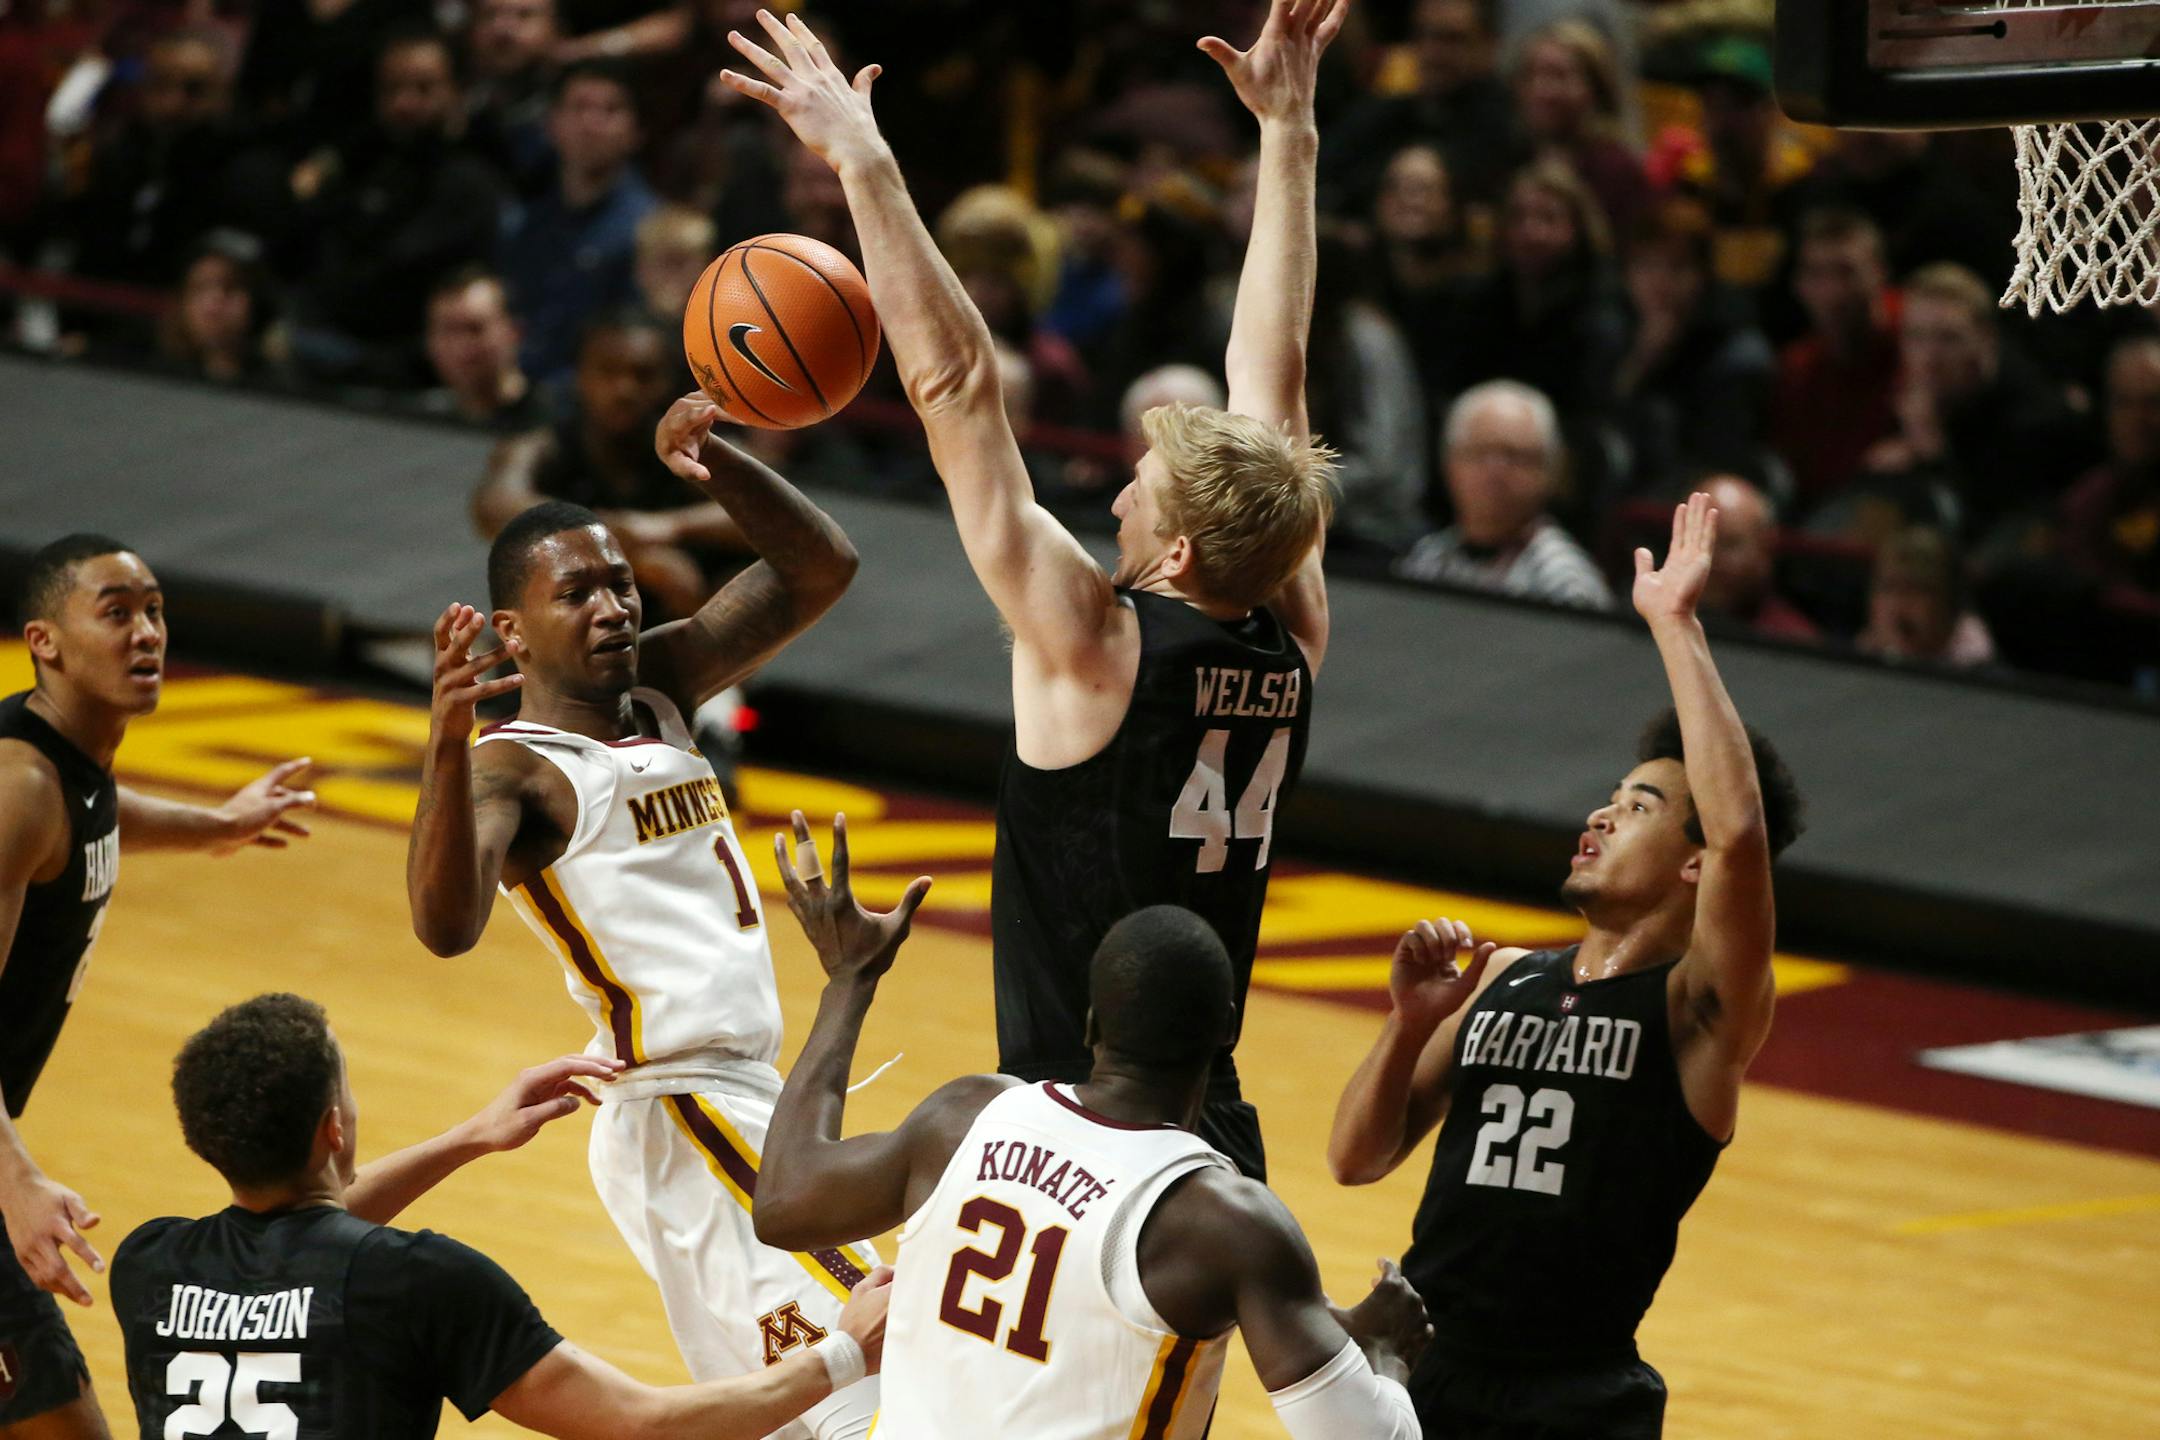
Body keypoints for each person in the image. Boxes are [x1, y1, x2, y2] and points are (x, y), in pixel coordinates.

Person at [718, 0, 1341, 1181]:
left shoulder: (1093, 645)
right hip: (1213, 1133)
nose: (1115, 499)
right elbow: (1277, 371)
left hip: (1069, 1136)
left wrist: (864, 159)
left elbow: (954, 384)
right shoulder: (1291, 627)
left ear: (1180, 557)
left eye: (1141, 492)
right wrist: (1289, 130)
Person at [406, 402, 878, 1437]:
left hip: (744, 1098)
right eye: (576, 592)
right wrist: (445, 745)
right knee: (877, 1351)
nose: (613, 605)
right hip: (682, 1105)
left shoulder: (660, 689)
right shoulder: (513, 768)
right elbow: (445, 927)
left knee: (788, 1410)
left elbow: (821, 569)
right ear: (513, 632)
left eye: (618, 581)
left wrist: (719, 465)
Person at [1332, 492, 1806, 1438]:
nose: (1598, 816)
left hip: (1573, 1397)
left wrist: (1674, 626)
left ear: (1693, 862)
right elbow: (1357, 1158)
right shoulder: (1503, 974)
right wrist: (1409, 1024)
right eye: (1608, 798)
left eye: (1636, 808)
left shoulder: (1698, 1010)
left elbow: (1743, 830)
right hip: (1426, 1370)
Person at [749, 813, 1429, 1437]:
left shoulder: (966, 1116)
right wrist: (1385, 1360)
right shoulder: (1225, 1222)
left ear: (1092, 1024)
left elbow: (782, 1204)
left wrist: (851, 979)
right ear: (1226, 1031)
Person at [112, 993, 889, 1439]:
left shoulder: (147, 1265)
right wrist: (842, 1353)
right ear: (335, 1127)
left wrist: (467, 1140)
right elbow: (638, 1424)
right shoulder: (417, 1280)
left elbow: (296, 1226)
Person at [1, 535, 317, 1439]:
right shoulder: (17, 786)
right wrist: (15, 1181)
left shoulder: (62, 761)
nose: (146, 634)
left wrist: (218, 826)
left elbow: (96, 813)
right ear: (45, 641)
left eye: (154, 612)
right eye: (115, 613)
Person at [474, 309, 746, 622]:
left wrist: (670, 527)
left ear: (670, 382)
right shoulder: (546, 445)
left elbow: (765, 514)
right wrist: (625, 552)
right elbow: (494, 505)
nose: (624, 389)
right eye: (607, 372)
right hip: (563, 640)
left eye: (643, 375)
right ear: (579, 376)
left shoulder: (689, 445)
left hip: (675, 637)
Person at [500, 58, 659, 386]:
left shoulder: (650, 230)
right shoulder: (524, 221)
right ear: (551, 125)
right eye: (578, 107)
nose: (591, 123)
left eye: (610, 110)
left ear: (637, 132)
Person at [1397, 380, 1612, 609]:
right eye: (1478, 453)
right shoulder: (1425, 561)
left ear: (1551, 473)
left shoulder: (1567, 584)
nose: (1495, 474)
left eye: (1516, 457)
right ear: (1450, 465)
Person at [417, 267, 550, 431]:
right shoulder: (419, 423)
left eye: (475, 329)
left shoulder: (558, 427)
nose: (462, 349)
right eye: (447, 331)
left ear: (514, 332)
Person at [1692, 476, 1817, 642]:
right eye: (1699, 540)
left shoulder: (1794, 642)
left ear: (1764, 547)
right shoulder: (1652, 620)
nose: (1708, 559)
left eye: (1729, 544)